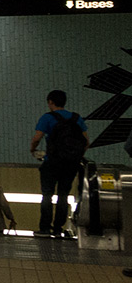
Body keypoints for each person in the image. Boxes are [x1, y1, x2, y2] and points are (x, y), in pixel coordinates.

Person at [30, 89, 89, 238]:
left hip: (52, 162)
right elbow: (86, 142)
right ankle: (58, 228)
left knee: (47, 194)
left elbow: (37, 137)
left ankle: (44, 228)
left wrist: (33, 149)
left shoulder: (47, 118)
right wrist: (76, 155)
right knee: (63, 195)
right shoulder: (76, 118)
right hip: (71, 164)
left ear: (50, 102)